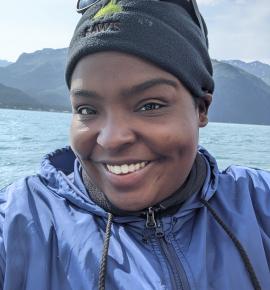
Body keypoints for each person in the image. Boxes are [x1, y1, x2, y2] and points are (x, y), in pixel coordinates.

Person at [0, 0, 269, 289]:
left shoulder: (259, 205)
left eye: (150, 105)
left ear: (201, 109)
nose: (112, 139)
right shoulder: (19, 222)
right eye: (87, 110)